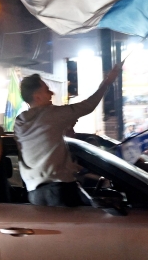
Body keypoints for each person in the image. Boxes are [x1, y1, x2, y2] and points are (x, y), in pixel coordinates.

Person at [14, 63, 122, 207]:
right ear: (37, 97)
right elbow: (88, 105)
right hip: (59, 190)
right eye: (47, 90)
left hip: (35, 194)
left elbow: (41, 142)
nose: (51, 93)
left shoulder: (19, 123)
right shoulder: (51, 114)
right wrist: (107, 82)